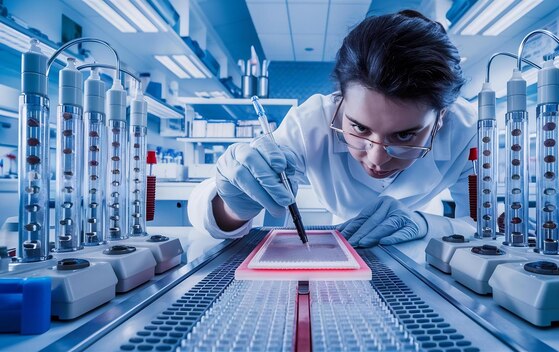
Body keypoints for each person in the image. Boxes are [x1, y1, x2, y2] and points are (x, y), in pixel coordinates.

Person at [188, 9, 477, 247]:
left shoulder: (468, 132)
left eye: (404, 135)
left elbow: (485, 229)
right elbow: (206, 219)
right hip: (344, 239)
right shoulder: (311, 123)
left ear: (442, 117)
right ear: (339, 100)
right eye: (359, 128)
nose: (376, 159)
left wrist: (427, 225)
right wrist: (233, 207)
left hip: (419, 245)